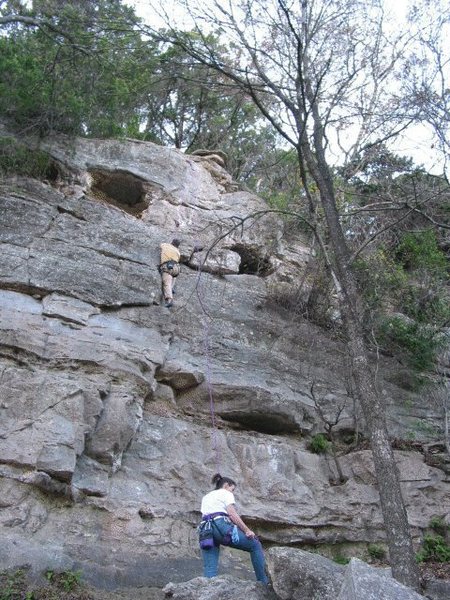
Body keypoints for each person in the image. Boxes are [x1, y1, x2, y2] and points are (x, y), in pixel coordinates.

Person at [199, 473, 269, 584]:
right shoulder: (226, 493)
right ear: (226, 485)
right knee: (255, 545)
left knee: (210, 568)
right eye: (232, 489)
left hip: (205, 530)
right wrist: (247, 530)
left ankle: (208, 590)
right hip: (220, 525)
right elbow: (232, 514)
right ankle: (264, 583)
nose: (232, 492)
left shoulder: (206, 497)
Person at [159, 238, 181, 308]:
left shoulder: (166, 245)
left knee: (167, 282)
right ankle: (172, 287)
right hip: (176, 268)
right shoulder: (178, 251)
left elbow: (161, 245)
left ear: (172, 242)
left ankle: (169, 300)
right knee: (174, 275)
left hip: (167, 266)